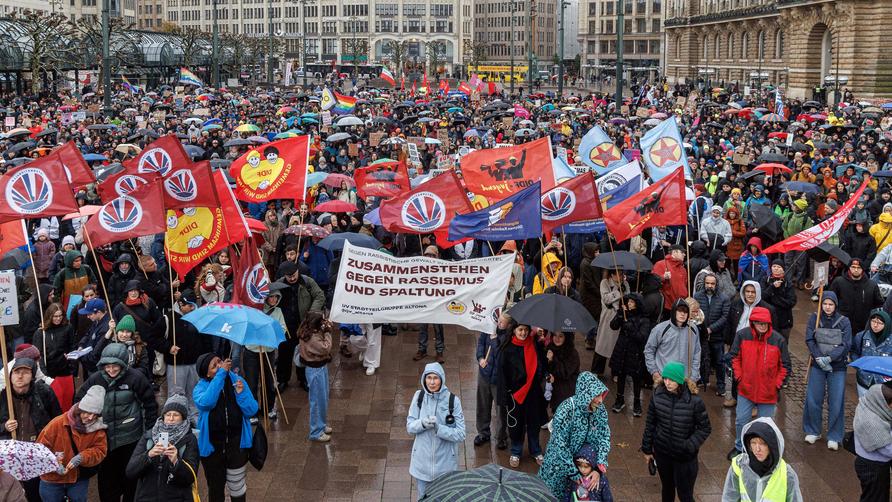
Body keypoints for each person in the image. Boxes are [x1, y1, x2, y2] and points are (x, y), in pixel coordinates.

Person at [75, 343, 158, 502]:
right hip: (104, 439)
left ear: (123, 364)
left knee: (130, 478)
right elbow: (79, 402)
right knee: (106, 483)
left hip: (130, 438)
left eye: (116, 366)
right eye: (108, 366)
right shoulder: (95, 379)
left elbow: (149, 406)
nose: (111, 370)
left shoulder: (136, 378)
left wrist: (149, 433)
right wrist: (89, 419)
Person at [726, 306, 791, 460]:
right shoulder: (742, 335)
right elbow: (734, 357)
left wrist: (776, 385)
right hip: (746, 389)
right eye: (758, 323)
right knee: (741, 421)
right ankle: (740, 447)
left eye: (764, 323)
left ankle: (764, 452)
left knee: (765, 426)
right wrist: (739, 377)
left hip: (768, 392)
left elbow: (785, 366)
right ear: (752, 322)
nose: (762, 326)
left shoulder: (778, 340)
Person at [641, 361, 711, 502]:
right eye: (665, 378)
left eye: (671, 379)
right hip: (663, 453)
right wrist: (647, 449)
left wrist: (689, 445)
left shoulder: (695, 401)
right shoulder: (657, 395)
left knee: (685, 495)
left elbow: (705, 428)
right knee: (667, 490)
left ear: (679, 380)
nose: (667, 383)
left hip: (684, 458)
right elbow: (650, 423)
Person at [193, 353, 257, 502]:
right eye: (214, 366)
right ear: (206, 373)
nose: (220, 366)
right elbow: (206, 402)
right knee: (215, 488)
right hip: (212, 447)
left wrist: (241, 394)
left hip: (236, 444)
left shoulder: (238, 380)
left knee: (237, 487)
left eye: (220, 362)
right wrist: (221, 375)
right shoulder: (200, 387)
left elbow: (252, 410)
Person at [539, 372, 611, 499]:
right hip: (558, 471)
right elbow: (559, 444)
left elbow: (604, 437)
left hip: (584, 466)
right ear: (586, 395)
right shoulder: (566, 410)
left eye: (601, 395)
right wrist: (574, 473)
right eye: (597, 395)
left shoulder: (600, 410)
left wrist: (598, 468)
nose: (600, 400)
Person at [0, 357, 62, 502]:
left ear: (33, 375)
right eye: (16, 372)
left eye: (25, 372)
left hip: (35, 453)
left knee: (36, 493)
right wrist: (4, 426)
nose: (20, 376)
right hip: (10, 455)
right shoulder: (3, 396)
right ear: (10, 376)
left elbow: (57, 421)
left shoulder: (44, 393)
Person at [36, 385, 108, 502]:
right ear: (80, 409)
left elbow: (100, 450)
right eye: (88, 412)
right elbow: (39, 449)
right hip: (51, 479)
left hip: (78, 479)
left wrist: (82, 457)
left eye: (95, 415)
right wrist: (54, 464)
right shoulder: (57, 424)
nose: (90, 418)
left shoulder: (98, 429)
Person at [406, 362, 466, 501]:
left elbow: (461, 433)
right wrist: (422, 423)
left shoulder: (453, 401)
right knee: (422, 498)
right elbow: (410, 426)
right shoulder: (418, 397)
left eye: (435, 378)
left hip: (445, 468)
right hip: (422, 466)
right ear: (424, 379)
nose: (432, 382)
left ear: (442, 379)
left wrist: (440, 429)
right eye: (429, 378)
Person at [125, 393, 200, 502]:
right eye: (168, 414)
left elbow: (189, 478)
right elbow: (130, 471)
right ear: (163, 416)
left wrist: (176, 461)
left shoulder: (189, 439)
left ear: (183, 418)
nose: (171, 418)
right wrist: (149, 455)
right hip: (146, 497)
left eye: (176, 415)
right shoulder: (149, 436)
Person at [803, 291, 852, 450]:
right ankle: (813, 430)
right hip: (818, 365)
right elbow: (810, 339)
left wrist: (830, 358)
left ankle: (834, 435)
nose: (827, 307)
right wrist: (818, 357)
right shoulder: (814, 318)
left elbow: (846, 345)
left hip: (837, 367)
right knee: (813, 398)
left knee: (836, 401)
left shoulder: (844, 322)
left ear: (835, 305)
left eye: (831, 304)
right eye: (825, 304)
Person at [498, 323, 548, 468]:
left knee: (534, 423)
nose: (523, 333)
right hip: (516, 393)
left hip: (533, 392)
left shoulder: (535, 345)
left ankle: (535, 450)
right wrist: (504, 396)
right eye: (520, 330)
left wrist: (545, 369)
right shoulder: (507, 349)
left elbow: (542, 364)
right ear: (514, 330)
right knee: (516, 424)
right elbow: (503, 374)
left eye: (526, 330)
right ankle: (516, 451)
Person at [722, 417, 803, 502]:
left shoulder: (786, 474)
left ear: (771, 446)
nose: (757, 449)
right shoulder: (738, 466)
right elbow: (729, 498)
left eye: (763, 443)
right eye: (753, 443)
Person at [274, 260, 325, 392]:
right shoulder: (279, 283)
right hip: (285, 325)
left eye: (294, 275)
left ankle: (303, 379)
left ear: (298, 271)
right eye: (288, 276)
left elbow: (319, 295)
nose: (292, 278)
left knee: (303, 352)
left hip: (303, 324)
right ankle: (282, 380)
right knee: (284, 354)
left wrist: (312, 313)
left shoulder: (307, 281)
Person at [474, 312, 513, 449]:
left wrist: (495, 339)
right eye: (498, 321)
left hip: (499, 379)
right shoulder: (489, 328)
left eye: (502, 323)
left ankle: (501, 437)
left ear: (508, 325)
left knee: (500, 409)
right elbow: (481, 343)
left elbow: (501, 354)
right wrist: (480, 358)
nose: (498, 324)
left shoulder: (508, 337)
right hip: (485, 374)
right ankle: (483, 432)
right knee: (483, 405)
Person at [609, 293, 651, 416]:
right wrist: (620, 315)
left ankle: (637, 403)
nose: (629, 304)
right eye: (628, 301)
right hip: (622, 349)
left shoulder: (644, 319)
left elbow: (642, 337)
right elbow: (613, 326)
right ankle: (619, 399)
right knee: (621, 375)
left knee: (636, 379)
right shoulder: (624, 314)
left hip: (635, 353)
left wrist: (631, 327)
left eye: (632, 302)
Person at [644, 299, 701, 385]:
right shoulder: (660, 329)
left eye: (685, 311)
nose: (683, 314)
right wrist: (654, 372)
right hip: (665, 379)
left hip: (685, 380)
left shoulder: (693, 329)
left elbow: (697, 352)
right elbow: (649, 350)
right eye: (680, 310)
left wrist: (694, 376)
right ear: (674, 311)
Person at [852, 381, 892, 502]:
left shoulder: (869, 402)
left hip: (870, 462)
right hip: (873, 467)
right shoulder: (872, 423)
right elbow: (888, 449)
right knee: (874, 497)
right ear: (884, 403)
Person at [32, 303, 76, 411]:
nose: (58, 319)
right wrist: (44, 374)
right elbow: (38, 355)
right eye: (55, 316)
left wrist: (72, 365)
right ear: (49, 316)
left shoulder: (68, 327)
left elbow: (72, 346)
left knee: (67, 401)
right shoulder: (41, 333)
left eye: (60, 316)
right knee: (54, 402)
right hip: (50, 373)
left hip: (65, 370)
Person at [298, 311, 334, 442]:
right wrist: (328, 333)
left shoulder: (310, 331)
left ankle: (321, 425)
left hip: (319, 367)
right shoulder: (312, 337)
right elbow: (326, 348)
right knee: (317, 400)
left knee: (323, 398)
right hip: (315, 370)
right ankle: (316, 432)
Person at [693, 273, 730, 395]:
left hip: (717, 336)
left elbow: (724, 317)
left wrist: (711, 329)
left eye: (712, 284)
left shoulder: (724, 298)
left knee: (719, 361)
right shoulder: (697, 296)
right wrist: (703, 329)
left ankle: (720, 385)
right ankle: (703, 379)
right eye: (707, 283)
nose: (709, 286)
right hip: (702, 334)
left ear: (716, 284)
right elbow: (695, 314)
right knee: (703, 358)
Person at [829, 257, 883, 335]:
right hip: (841, 326)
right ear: (849, 268)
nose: (856, 270)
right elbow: (830, 300)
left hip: (863, 328)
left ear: (863, 269)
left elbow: (879, 305)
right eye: (853, 267)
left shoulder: (872, 285)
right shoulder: (839, 282)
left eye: (859, 268)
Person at [414, 246, 447, 364]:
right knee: (423, 327)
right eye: (427, 255)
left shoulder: (443, 269)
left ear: (437, 256)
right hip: (424, 303)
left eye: (432, 255)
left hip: (437, 303)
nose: (430, 257)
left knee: (438, 328)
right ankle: (422, 350)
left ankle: (439, 351)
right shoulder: (419, 269)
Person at [593, 269, 629, 376]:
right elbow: (606, 299)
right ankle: (597, 370)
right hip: (608, 317)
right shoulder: (605, 283)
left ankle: (616, 373)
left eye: (622, 274)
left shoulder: (625, 283)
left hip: (620, 317)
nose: (621, 276)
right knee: (602, 344)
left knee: (617, 346)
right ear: (612, 274)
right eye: (619, 274)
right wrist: (618, 291)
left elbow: (628, 297)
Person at [852, 309, 892, 397]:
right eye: (873, 321)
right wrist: (860, 367)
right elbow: (854, 352)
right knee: (864, 408)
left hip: (885, 386)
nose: (875, 325)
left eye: (880, 323)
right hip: (864, 382)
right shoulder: (861, 336)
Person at [546, 331, 581, 415]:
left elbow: (564, 373)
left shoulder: (572, 353)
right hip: (554, 390)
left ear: (566, 338)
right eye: (555, 335)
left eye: (560, 336)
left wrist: (552, 360)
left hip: (567, 391)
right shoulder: (550, 348)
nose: (557, 339)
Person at [760, 260, 797, 339]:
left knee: (783, 343)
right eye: (774, 266)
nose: (776, 268)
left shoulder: (788, 283)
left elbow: (791, 302)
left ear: (783, 269)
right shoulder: (765, 280)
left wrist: (774, 298)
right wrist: (772, 287)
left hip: (784, 321)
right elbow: (762, 297)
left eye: (779, 267)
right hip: (768, 318)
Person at [652, 245, 689, 318]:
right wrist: (663, 277)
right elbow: (652, 282)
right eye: (682, 252)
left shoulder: (683, 269)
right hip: (666, 307)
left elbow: (684, 285)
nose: (684, 254)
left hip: (680, 305)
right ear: (674, 252)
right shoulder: (661, 264)